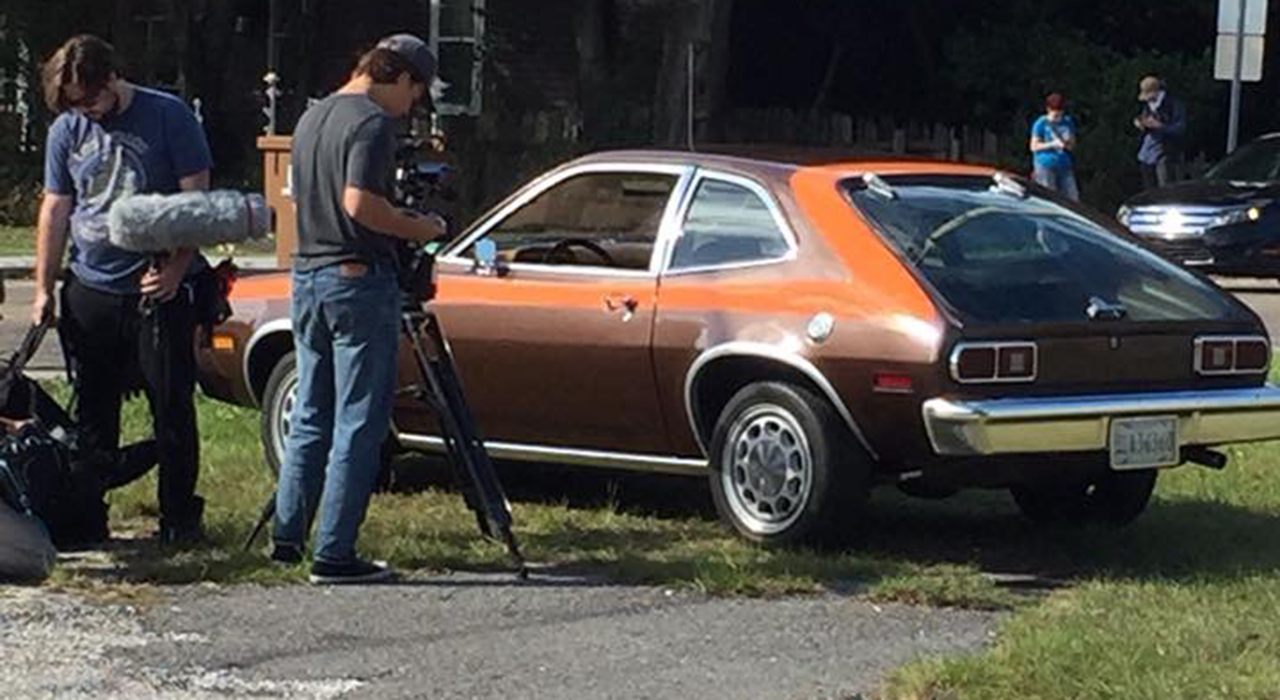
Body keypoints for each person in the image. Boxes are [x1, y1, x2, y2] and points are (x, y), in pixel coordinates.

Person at [272, 34, 445, 584]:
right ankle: (335, 552)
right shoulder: (370, 124)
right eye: (414, 94)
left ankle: (287, 536)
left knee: (311, 413)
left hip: (307, 273)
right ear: (398, 78)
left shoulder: (312, 117)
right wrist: (421, 227)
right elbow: (360, 204)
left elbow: (299, 196)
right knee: (359, 418)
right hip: (355, 278)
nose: (411, 107)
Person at [33, 35, 212, 544]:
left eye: (90, 101)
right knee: (93, 406)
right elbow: (56, 207)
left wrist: (179, 268)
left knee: (171, 403)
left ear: (112, 79)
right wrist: (44, 287)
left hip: (157, 288)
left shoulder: (168, 116)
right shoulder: (67, 130)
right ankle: (88, 515)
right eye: (73, 106)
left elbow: (195, 199)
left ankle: (178, 516)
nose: (85, 113)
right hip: (91, 285)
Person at [1133, 75, 1187, 189]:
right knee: (1148, 189)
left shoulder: (1173, 104)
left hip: (1166, 153)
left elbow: (1180, 128)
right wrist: (1141, 123)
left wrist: (1161, 126)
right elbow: (1144, 118)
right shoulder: (1148, 106)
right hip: (1147, 153)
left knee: (1165, 189)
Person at [1028, 92, 1080, 201]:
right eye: (1055, 115)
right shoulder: (1041, 123)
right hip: (1045, 165)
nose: (1057, 118)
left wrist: (1066, 144)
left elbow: (1072, 145)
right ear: (1048, 110)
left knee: (1073, 197)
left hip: (1064, 164)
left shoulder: (1067, 122)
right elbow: (1033, 146)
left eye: (1060, 115)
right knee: (1050, 197)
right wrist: (1052, 144)